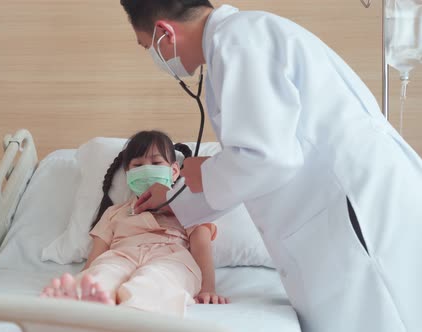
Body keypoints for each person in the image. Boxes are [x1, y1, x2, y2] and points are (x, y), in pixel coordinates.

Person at [120, 1, 422, 332]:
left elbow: (266, 158)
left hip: (357, 215)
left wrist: (200, 173)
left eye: (147, 45)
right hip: (347, 208)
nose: (153, 55)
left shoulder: (238, 41)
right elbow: (257, 162)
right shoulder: (243, 38)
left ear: (165, 32)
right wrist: (177, 204)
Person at [42, 130, 226, 316]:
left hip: (171, 259)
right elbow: (95, 257)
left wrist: (208, 288)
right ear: (128, 174)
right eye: (138, 165)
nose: (147, 169)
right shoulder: (114, 213)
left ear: (174, 171)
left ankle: (132, 313)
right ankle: (85, 301)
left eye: (156, 163)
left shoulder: (189, 208)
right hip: (120, 256)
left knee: (154, 281)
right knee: (103, 273)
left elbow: (202, 248)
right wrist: (83, 277)